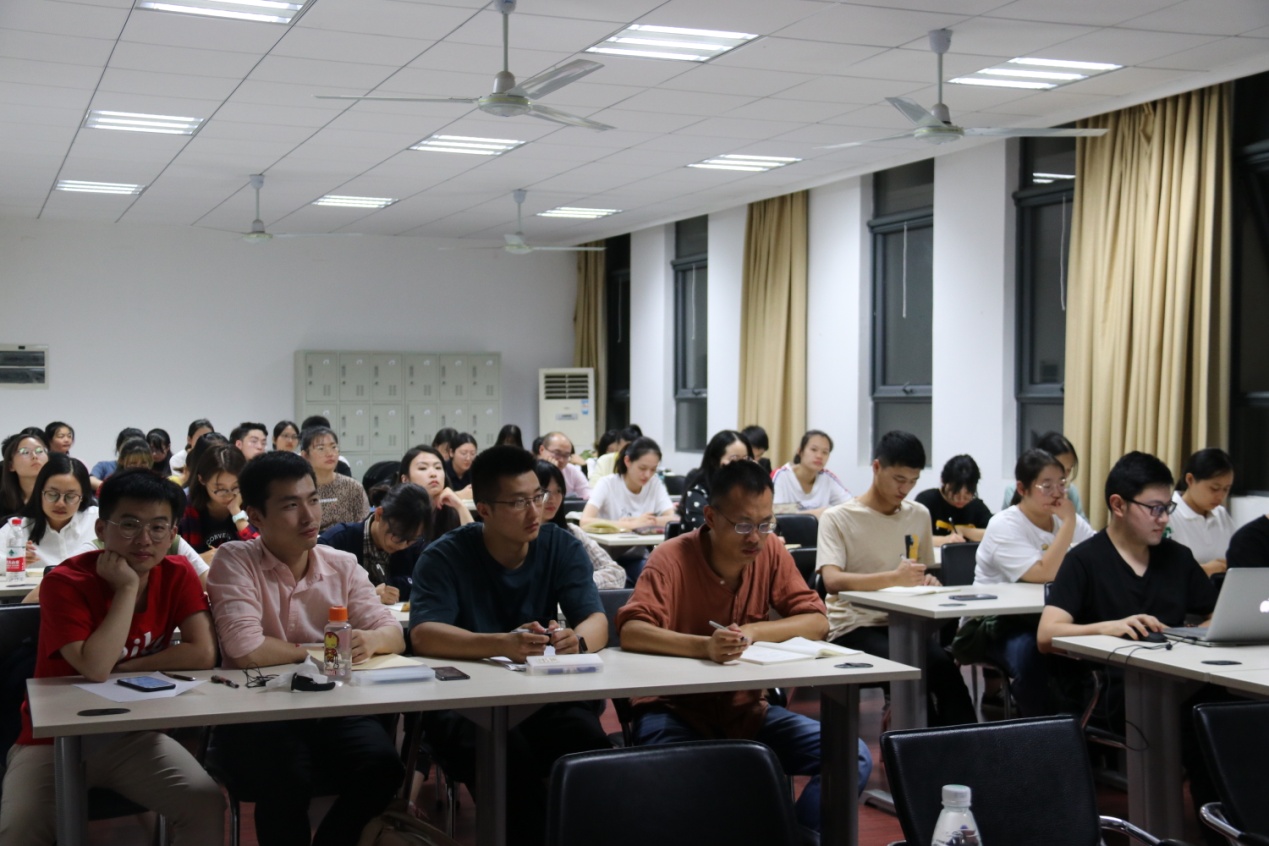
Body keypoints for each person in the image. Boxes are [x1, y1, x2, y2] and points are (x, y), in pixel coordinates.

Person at [618, 459, 872, 832]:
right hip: (674, 710)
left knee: (851, 756)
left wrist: (754, 631)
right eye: (742, 525)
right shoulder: (670, 558)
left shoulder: (770, 553)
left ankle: (796, 838)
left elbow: (817, 621)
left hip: (746, 711)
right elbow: (633, 630)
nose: (755, 537)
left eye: (765, 524)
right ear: (710, 516)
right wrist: (704, 647)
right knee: (693, 789)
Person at [0, 468, 224, 846]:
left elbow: (203, 653)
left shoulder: (178, 573)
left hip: (132, 738)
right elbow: (94, 666)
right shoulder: (65, 582)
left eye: (158, 527)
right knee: (20, 830)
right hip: (51, 741)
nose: (144, 539)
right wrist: (126, 589)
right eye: (130, 525)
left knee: (204, 803)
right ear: (102, 529)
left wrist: (124, 666)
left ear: (173, 534)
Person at [409, 446, 611, 846]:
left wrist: (577, 640)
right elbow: (424, 634)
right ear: (483, 509)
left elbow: (597, 621)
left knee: (592, 752)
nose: (535, 511)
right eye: (518, 502)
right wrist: (503, 643)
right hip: (464, 704)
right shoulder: (445, 556)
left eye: (538, 496)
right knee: (508, 763)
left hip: (541, 698)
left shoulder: (560, 545)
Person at [207, 451, 405, 846]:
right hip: (258, 710)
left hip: (333, 708)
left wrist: (370, 639)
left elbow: (393, 633)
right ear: (256, 516)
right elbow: (245, 648)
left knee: (384, 766)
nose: (309, 516)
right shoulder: (235, 560)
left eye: (313, 500)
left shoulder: (341, 564)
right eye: (290, 505)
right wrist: (325, 650)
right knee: (286, 774)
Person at [1037, 451, 1219, 840]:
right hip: (1116, 690)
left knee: (1231, 709)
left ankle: (1232, 824)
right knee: (1202, 723)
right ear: (1118, 505)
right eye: (1154, 509)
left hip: (1181, 681)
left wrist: (1197, 633)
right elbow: (1047, 634)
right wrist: (1110, 627)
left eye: (1167, 508)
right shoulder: (1085, 561)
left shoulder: (1177, 557)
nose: (1164, 519)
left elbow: (1212, 614)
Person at [816, 431, 977, 726]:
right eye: (899, 479)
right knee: (912, 671)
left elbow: (921, 571)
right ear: (877, 467)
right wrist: (894, 578)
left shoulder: (918, 514)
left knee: (945, 671)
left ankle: (969, 746)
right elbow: (832, 581)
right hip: (853, 625)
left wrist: (928, 581)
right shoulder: (838, 517)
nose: (905, 488)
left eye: (913, 481)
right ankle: (921, 746)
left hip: (904, 624)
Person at [964, 449, 1095, 716]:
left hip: (1046, 617)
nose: (1057, 493)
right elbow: (1042, 573)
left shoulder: (1064, 520)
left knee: (1084, 650)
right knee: (1032, 655)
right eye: (1047, 486)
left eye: (1061, 484)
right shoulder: (1004, 524)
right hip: (994, 623)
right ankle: (1038, 728)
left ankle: (1078, 723)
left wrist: (1069, 523)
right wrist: (1069, 522)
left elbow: (1097, 555)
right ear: (1022, 489)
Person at [318, 482, 431, 604]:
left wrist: (395, 585)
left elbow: (427, 583)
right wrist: (366, 595)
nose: (402, 545)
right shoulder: (337, 542)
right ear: (379, 514)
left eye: (411, 539)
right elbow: (317, 592)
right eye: (397, 536)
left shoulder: (417, 545)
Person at [535, 459, 626, 589]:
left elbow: (617, 573)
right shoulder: (516, 537)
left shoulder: (572, 532)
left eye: (558, 491)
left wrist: (577, 581)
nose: (553, 499)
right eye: (544, 492)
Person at [177, 444, 258, 561]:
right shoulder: (184, 509)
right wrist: (198, 560)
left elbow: (261, 552)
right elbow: (168, 559)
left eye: (235, 487)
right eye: (220, 489)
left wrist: (237, 513)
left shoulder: (251, 504)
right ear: (202, 480)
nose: (229, 495)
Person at [581, 437, 677, 530]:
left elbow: (674, 519)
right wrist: (630, 524)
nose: (648, 475)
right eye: (642, 468)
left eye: (653, 469)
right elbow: (585, 521)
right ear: (627, 461)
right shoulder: (607, 484)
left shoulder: (654, 484)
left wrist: (643, 521)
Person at [1169, 448, 1236, 577]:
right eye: (1214, 488)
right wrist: (1203, 570)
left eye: (1226, 489)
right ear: (1190, 480)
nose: (1220, 496)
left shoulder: (1221, 514)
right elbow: (1159, 571)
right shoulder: (1168, 515)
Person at [680, 430, 753, 531]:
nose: (741, 466)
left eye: (746, 459)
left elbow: (765, 524)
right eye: (734, 459)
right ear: (715, 461)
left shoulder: (750, 492)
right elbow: (711, 534)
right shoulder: (698, 494)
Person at [914, 454, 992, 545]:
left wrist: (964, 530)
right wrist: (945, 540)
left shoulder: (976, 506)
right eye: (956, 492)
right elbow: (913, 536)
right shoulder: (927, 500)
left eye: (967, 494)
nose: (961, 499)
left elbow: (995, 533)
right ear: (943, 481)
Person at [301, 426, 370, 529]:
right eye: (321, 449)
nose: (330, 454)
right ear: (305, 456)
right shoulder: (299, 489)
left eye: (333, 447)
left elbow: (364, 526)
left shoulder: (353, 487)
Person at [1003, 432, 1085, 518]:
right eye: (1060, 469)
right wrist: (1068, 521)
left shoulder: (1070, 490)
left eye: (1069, 470)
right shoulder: (1016, 490)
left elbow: (1082, 523)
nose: (1064, 475)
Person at [399, 445, 473, 540]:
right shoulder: (397, 512)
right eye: (423, 468)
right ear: (405, 479)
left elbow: (475, 545)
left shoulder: (451, 511)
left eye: (438, 467)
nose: (433, 474)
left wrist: (460, 506)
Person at [772, 430, 850, 518]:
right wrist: (816, 513)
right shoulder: (781, 475)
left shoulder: (827, 477)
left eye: (825, 452)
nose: (819, 456)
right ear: (800, 451)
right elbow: (774, 511)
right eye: (814, 450)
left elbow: (850, 506)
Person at [1, 431, 48, 515]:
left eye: (39, 450)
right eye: (25, 452)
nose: (34, 456)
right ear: (11, 466)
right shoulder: (3, 501)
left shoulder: (60, 494)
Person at [537, 431, 591, 500]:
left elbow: (588, 496)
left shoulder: (572, 471)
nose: (561, 460)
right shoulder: (531, 471)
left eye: (566, 455)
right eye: (557, 453)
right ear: (542, 450)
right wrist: (550, 472)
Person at [89, 427, 145, 491]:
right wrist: (116, 489)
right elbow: (91, 480)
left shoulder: (147, 468)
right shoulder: (104, 466)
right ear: (118, 447)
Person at [443, 433, 477, 497]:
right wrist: (460, 494)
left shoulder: (476, 471)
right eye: (463, 453)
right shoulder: (442, 470)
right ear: (451, 452)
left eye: (472, 453)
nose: (468, 458)